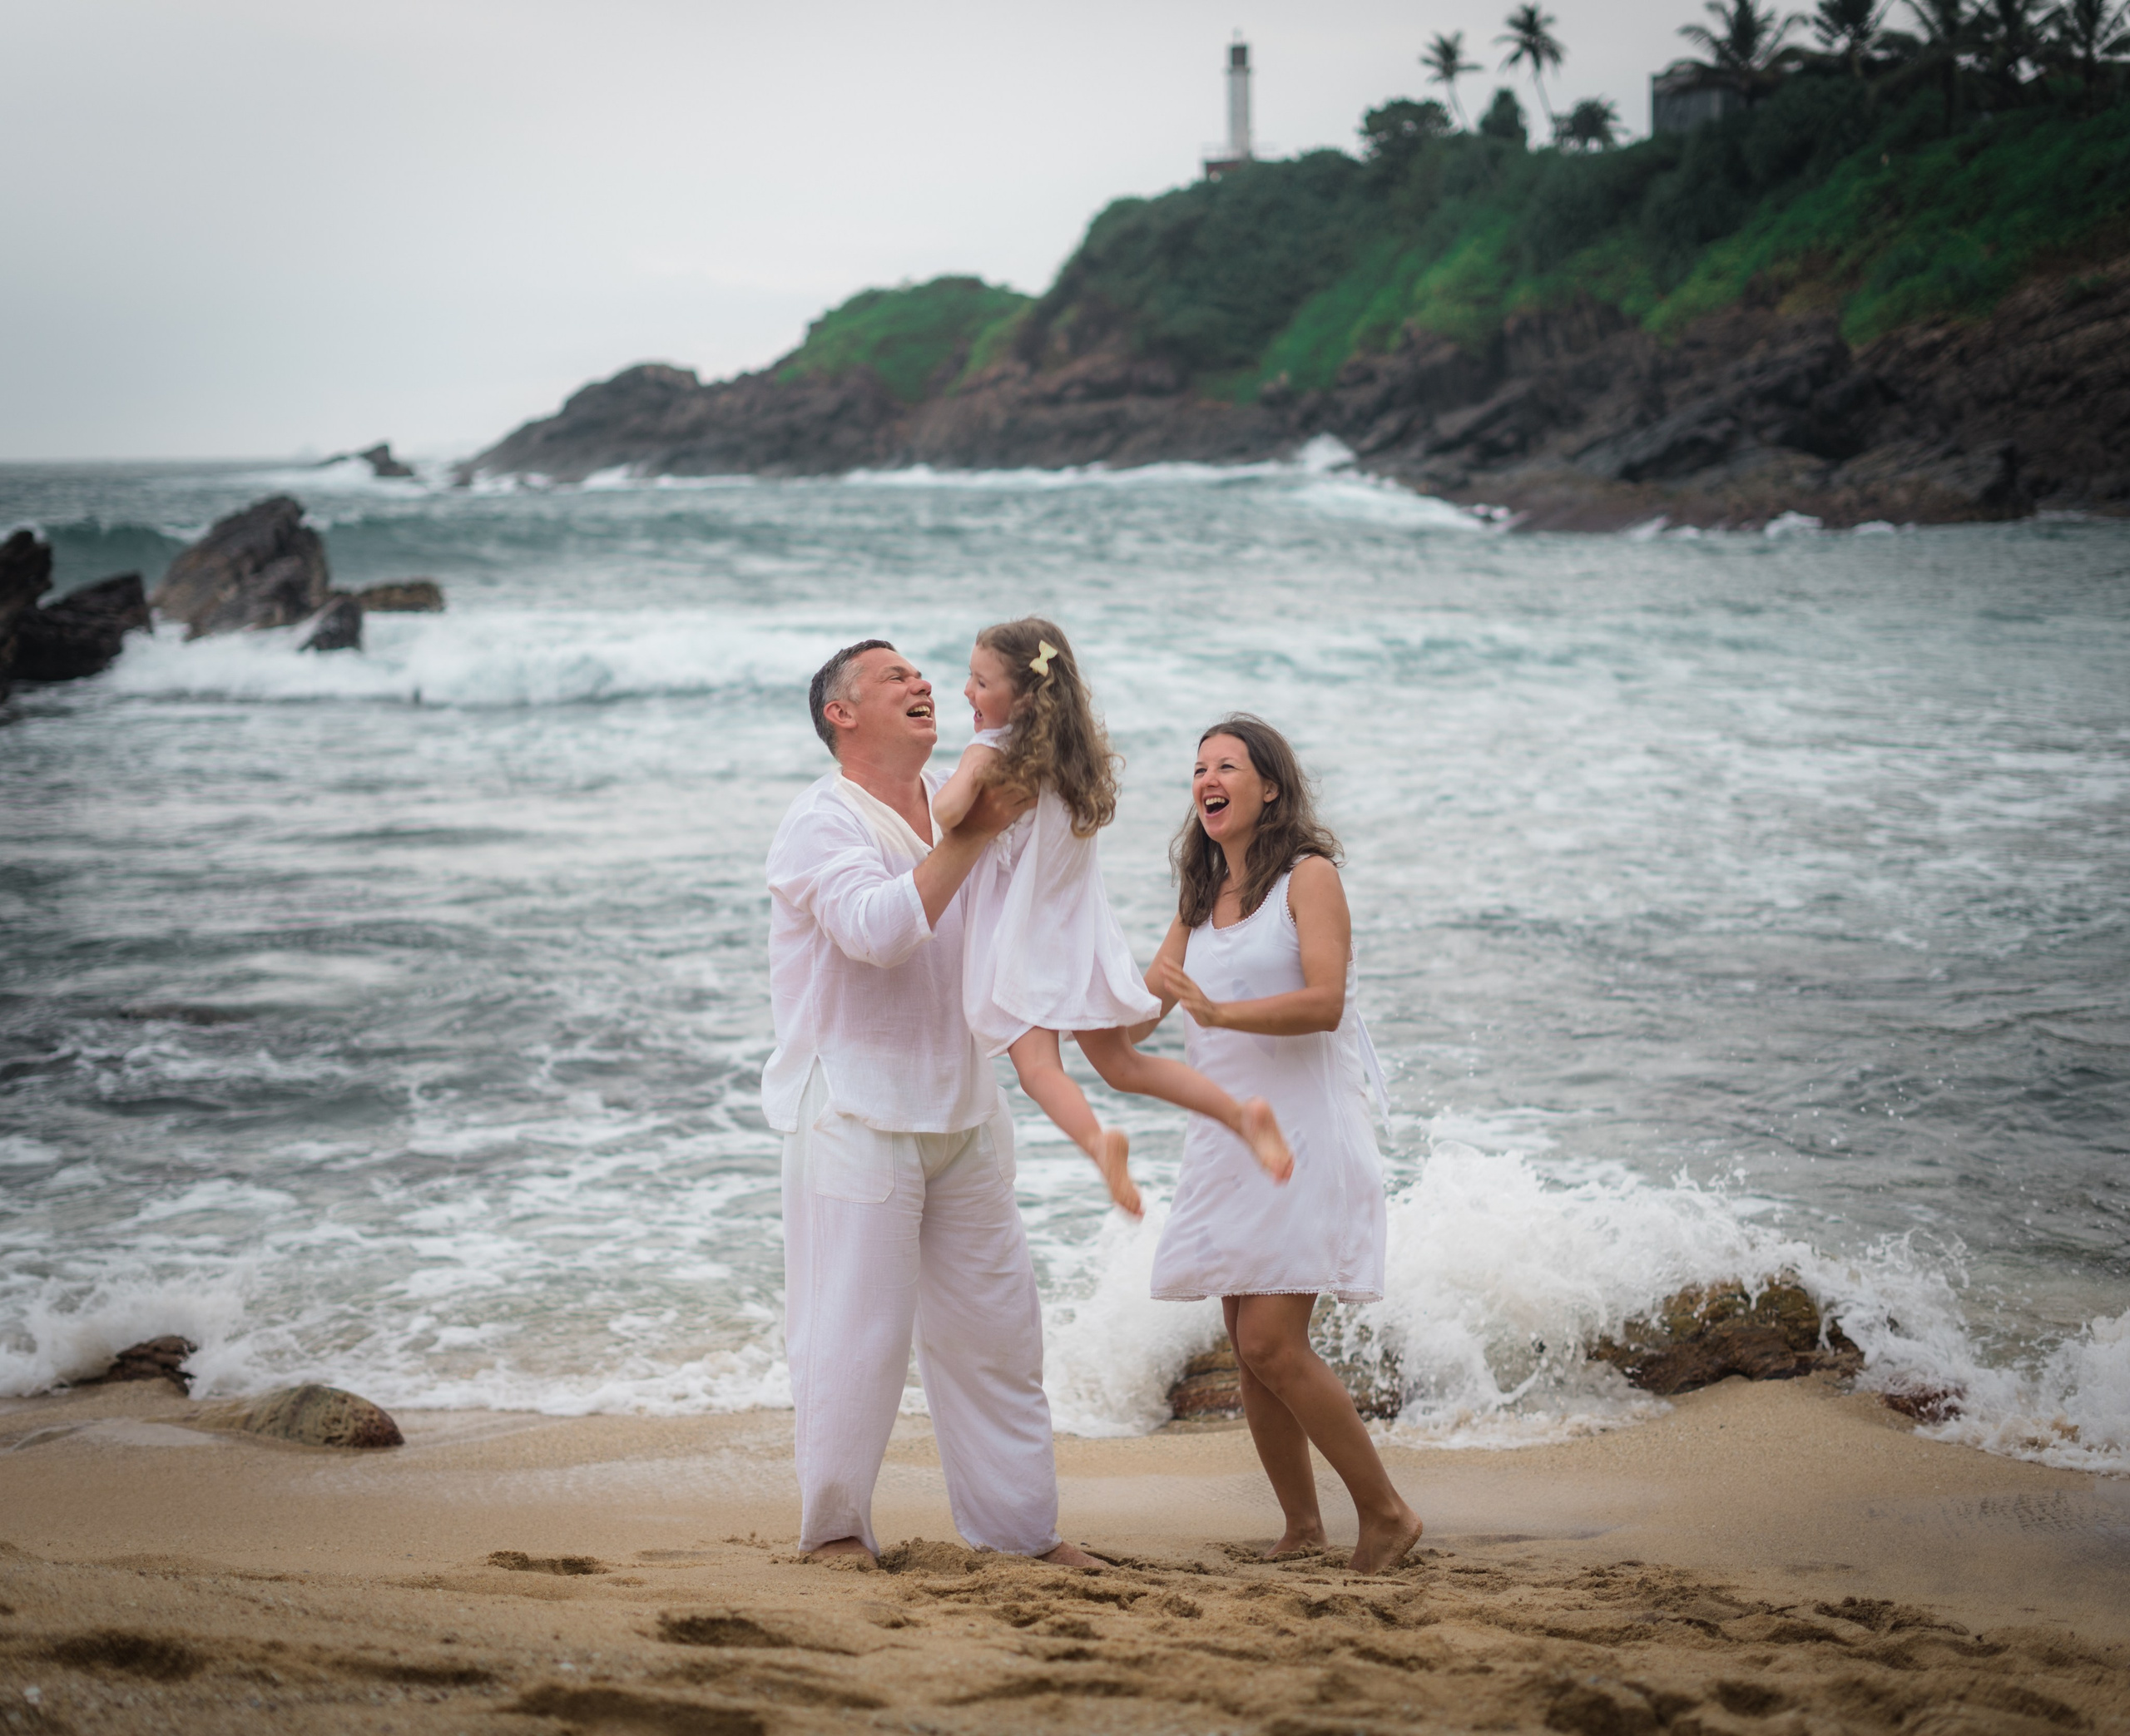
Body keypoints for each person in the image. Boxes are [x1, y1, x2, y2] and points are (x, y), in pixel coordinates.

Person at [764, 637, 1097, 1568]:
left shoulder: (960, 797)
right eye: (893, 676)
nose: (920, 682)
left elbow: (1040, 899)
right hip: (853, 1110)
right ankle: (835, 1531)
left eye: (921, 673)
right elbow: (876, 931)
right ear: (840, 714)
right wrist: (976, 834)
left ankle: (1021, 1534)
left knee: (997, 1337)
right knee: (852, 1338)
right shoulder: (822, 818)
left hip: (965, 1107)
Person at [1138, 714, 1424, 1575]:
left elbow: (1326, 1000)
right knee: (1247, 1342)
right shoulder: (1199, 897)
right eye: (1199, 767)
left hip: (1304, 1134)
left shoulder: (1309, 876)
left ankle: (1387, 1512)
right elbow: (1142, 1005)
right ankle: (1302, 1526)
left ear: (1269, 787)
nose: (1207, 778)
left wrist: (1220, 1012)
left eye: (1227, 765)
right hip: (1228, 1141)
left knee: (1270, 1340)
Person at [933, 619, 1295, 1218]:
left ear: (1022, 700)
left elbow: (947, 815)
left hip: (1019, 940)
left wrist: (963, 778)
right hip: (1080, 935)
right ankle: (1241, 1115)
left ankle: (1099, 1143)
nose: (967, 691)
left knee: (1038, 1069)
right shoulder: (1076, 762)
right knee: (1125, 1064)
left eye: (980, 681)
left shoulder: (992, 751)